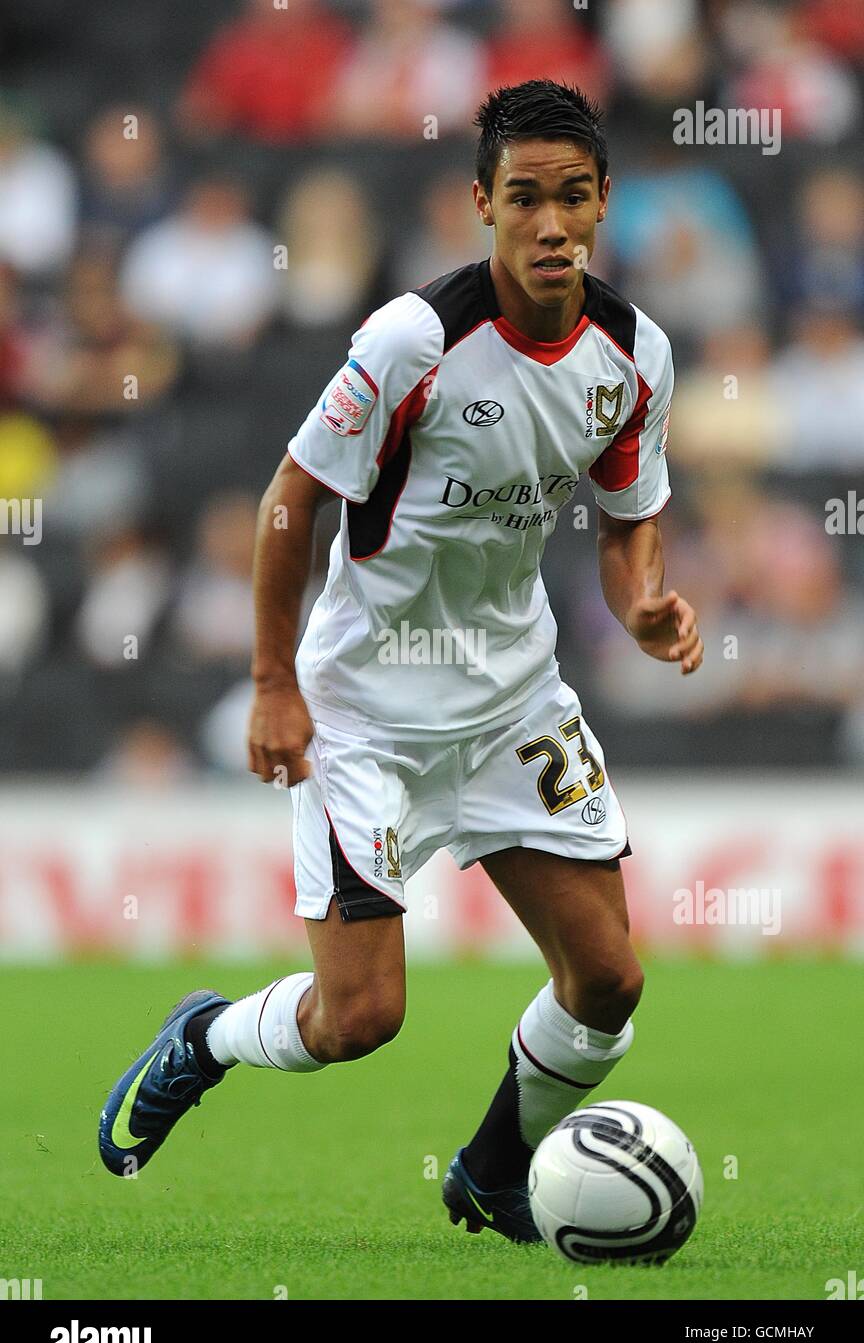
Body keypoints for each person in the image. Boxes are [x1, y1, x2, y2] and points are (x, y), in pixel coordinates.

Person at [98, 81, 703, 1244]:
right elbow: (291, 502)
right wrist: (275, 683)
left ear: (605, 202)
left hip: (516, 698)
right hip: (367, 712)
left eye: (574, 198)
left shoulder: (636, 355)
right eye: (524, 198)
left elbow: (630, 518)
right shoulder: (413, 338)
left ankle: (490, 1168)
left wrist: (640, 606)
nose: (550, 225)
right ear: (482, 203)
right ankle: (205, 1036)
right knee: (359, 1016)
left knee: (610, 981)